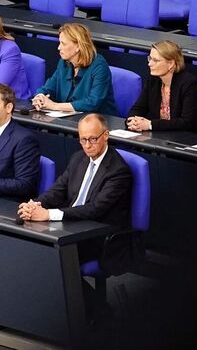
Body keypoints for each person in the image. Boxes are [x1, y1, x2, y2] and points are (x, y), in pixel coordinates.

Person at [18, 113, 133, 271]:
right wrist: (35, 204)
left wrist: (49, 214)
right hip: (71, 225)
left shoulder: (118, 171)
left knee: (51, 257)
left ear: (106, 135)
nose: (87, 145)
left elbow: (95, 209)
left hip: (98, 235)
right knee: (32, 243)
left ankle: (79, 295)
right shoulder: (78, 158)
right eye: (82, 139)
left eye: (93, 139)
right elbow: (58, 190)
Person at [32, 23, 117, 116]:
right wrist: (39, 97)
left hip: (97, 121)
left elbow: (93, 102)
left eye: (63, 43)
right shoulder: (63, 63)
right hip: (71, 119)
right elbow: (49, 87)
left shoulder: (99, 66)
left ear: (78, 47)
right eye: (59, 43)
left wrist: (55, 106)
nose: (58, 47)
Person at [126, 40, 197, 133]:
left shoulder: (188, 83)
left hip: (189, 137)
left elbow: (187, 122)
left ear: (171, 64)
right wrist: (132, 121)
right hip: (161, 135)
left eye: (156, 60)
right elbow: (138, 108)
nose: (149, 64)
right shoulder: (153, 79)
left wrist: (150, 124)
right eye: (150, 58)